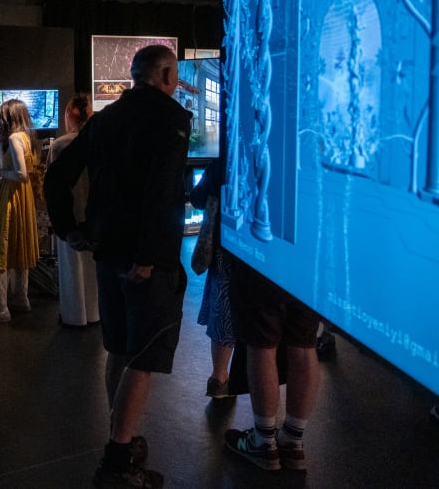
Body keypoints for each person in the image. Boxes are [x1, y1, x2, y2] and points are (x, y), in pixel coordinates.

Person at [44, 44, 191, 488]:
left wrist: (69, 228)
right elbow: (162, 193)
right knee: (142, 360)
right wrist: (147, 256)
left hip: (107, 253)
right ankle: (117, 461)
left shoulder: (104, 119)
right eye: (176, 75)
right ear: (164, 75)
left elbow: (57, 176)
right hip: (146, 263)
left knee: (121, 350)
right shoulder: (171, 120)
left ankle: (120, 435)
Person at [223, 263, 321, 472]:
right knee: (304, 344)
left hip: (263, 253)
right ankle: (292, 441)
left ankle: (263, 442)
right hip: (308, 256)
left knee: (262, 343)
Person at [0, 98, 40, 323]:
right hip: (23, 198)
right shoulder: (26, 137)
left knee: (0, 248)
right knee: (18, 245)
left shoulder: (14, 138)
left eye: (1, 117)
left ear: (10, 117)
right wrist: (0, 144)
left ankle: (1, 308)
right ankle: (21, 299)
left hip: (12, 197)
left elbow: (19, 174)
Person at [47, 93, 99, 327]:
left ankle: (74, 316)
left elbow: (53, 181)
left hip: (69, 212)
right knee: (93, 265)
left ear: (69, 114)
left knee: (70, 266)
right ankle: (95, 312)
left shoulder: (60, 144)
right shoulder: (99, 139)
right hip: (92, 212)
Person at [189, 156, 236, 398]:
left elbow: (197, 198)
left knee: (223, 313)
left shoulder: (222, 164)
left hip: (225, 248)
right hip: (264, 255)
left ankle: (219, 378)